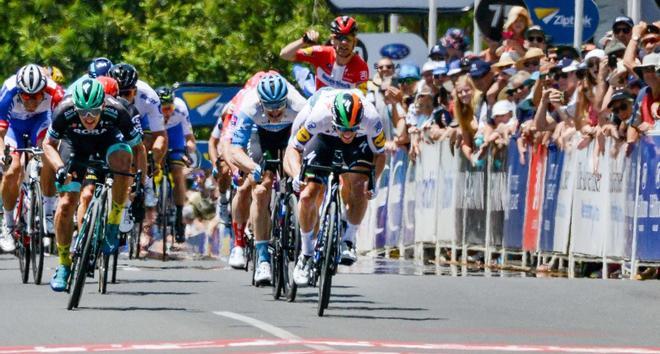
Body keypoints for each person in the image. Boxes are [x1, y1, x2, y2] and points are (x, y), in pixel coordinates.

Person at [45, 78, 141, 291]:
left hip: (108, 143)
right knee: (66, 204)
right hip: (75, 147)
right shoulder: (64, 110)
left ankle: (114, 222)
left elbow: (139, 148)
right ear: (75, 106)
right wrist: (60, 168)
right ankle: (63, 264)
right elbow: (48, 145)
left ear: (104, 105)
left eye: (95, 112)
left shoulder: (117, 111)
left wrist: (139, 180)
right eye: (83, 112)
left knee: (122, 159)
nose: (88, 118)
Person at [287, 90, 386, 285]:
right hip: (324, 140)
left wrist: (374, 181)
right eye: (343, 128)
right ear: (333, 119)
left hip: (359, 144)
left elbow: (380, 154)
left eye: (352, 128)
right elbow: (295, 147)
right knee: (308, 195)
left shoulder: (372, 118)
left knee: (359, 185)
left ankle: (348, 240)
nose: (347, 133)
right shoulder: (318, 116)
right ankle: (306, 255)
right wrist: (297, 173)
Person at [227, 73, 306, 284]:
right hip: (261, 137)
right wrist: (252, 167)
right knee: (261, 189)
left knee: (304, 179)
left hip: (290, 135)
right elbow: (235, 149)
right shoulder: (249, 105)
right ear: (260, 101)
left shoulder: (299, 105)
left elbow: (312, 141)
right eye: (269, 107)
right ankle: (262, 258)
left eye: (279, 106)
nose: (274, 112)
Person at [0, 64, 64, 252]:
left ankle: (48, 212)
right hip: (14, 126)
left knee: (48, 156)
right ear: (20, 92)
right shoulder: (9, 90)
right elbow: (1, 134)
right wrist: (3, 156)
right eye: (26, 96)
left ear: (44, 90)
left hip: (41, 122)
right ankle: (8, 225)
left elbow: (63, 128)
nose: (31, 101)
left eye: (37, 96)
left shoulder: (55, 92)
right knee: (12, 170)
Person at [280, 16, 369, 92]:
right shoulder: (321, 53)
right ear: (332, 40)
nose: (343, 42)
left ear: (355, 41)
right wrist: (303, 41)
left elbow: (361, 98)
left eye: (348, 39)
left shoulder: (361, 67)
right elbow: (284, 55)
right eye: (339, 38)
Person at [156, 86, 196, 243]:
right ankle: (151, 199)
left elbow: (189, 138)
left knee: (177, 172)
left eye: (169, 108)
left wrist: (189, 152)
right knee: (152, 164)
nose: (167, 112)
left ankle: (179, 219)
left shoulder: (180, 109)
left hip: (174, 136)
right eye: (164, 109)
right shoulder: (151, 110)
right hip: (157, 133)